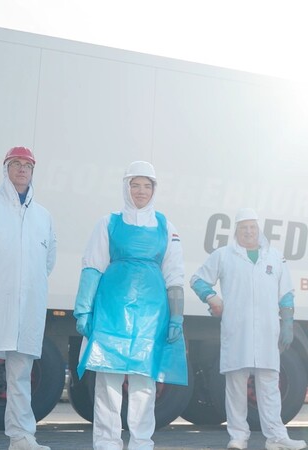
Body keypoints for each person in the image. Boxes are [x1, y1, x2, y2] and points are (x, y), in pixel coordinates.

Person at [73, 161, 187, 450]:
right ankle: (106, 443)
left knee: (144, 384)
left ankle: (141, 443)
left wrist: (176, 316)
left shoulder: (166, 226)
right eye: (135, 185)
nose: (141, 191)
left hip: (151, 314)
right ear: (126, 187)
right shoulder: (108, 223)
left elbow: (174, 274)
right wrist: (84, 309)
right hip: (112, 310)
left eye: (147, 186)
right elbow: (93, 266)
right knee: (108, 381)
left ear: (154, 190)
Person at [190, 208, 306, 450]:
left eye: (252, 227)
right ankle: (238, 437)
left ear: (258, 229)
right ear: (236, 230)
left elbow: (286, 293)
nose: (249, 231)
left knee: (270, 386)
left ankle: (276, 437)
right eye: (244, 227)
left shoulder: (274, 256)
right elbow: (197, 280)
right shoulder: (224, 255)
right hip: (237, 331)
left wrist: (287, 323)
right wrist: (212, 298)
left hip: (267, 333)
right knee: (235, 386)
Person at [0, 147, 56, 450]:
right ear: (6, 169)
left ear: (32, 171)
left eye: (27, 165)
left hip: (27, 308)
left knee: (21, 375)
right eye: (16, 164)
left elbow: (47, 261)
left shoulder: (43, 216)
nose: (22, 169)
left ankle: (22, 437)